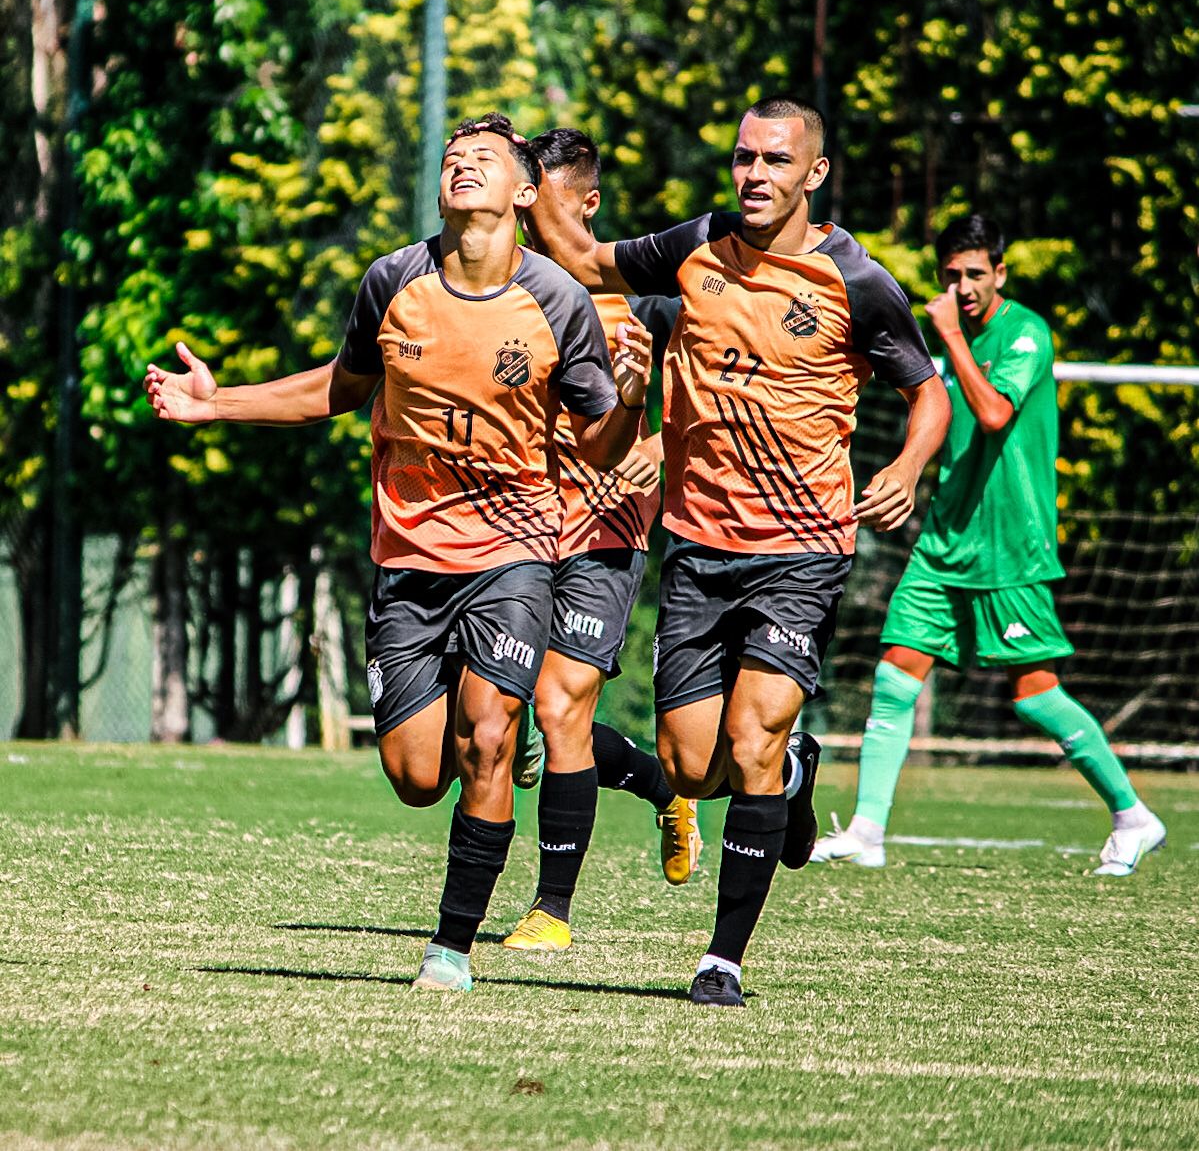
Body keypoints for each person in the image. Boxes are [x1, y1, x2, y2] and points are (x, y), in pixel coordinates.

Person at [143, 112, 652, 992]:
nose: (463, 167)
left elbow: (601, 446)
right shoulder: (394, 280)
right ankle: (493, 737)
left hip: (514, 552)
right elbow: (335, 391)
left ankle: (449, 951)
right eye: (454, 158)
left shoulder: (558, 301)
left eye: (484, 160)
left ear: (524, 192)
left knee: (487, 737)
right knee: (420, 776)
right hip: (409, 558)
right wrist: (215, 404)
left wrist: (631, 405)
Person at [526, 96, 951, 1005]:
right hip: (700, 546)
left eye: (774, 160)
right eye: (743, 158)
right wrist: (522, 178)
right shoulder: (695, 247)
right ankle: (797, 775)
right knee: (690, 766)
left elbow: (929, 396)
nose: (755, 175)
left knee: (752, 740)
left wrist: (908, 466)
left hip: (802, 550)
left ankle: (722, 959)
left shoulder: (859, 281)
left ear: (813, 173)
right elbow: (583, 256)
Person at [810, 214, 1167, 875]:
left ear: (998, 274)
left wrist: (947, 333)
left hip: (1010, 547)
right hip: (946, 539)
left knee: (1033, 693)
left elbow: (993, 414)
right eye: (951, 275)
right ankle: (866, 830)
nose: (963, 286)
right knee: (893, 677)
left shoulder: (1025, 333)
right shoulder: (945, 343)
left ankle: (1131, 816)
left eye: (975, 274)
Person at [503, 127, 699, 954]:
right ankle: (659, 784)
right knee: (498, 725)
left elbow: (705, 408)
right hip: (510, 529)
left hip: (603, 533)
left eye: (538, 202)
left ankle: (550, 910)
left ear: (585, 204)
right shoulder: (496, 285)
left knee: (559, 705)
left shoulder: (647, 300)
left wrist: (652, 452)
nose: (523, 217)